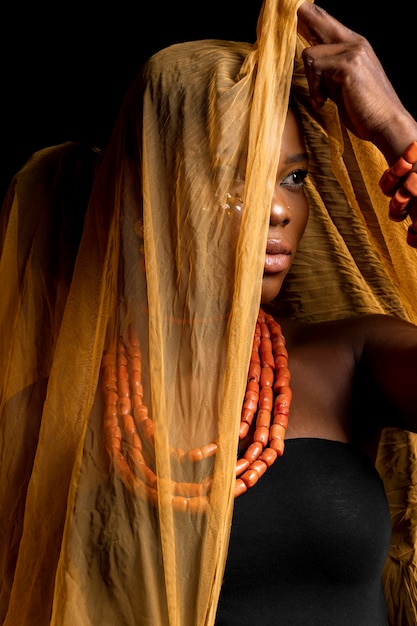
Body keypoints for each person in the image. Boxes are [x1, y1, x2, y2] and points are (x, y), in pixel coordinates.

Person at [1, 0, 417, 624]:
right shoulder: (52, 413)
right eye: (237, 177)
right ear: (147, 200)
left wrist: (400, 135)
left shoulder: (352, 361)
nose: (278, 210)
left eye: (294, 179)